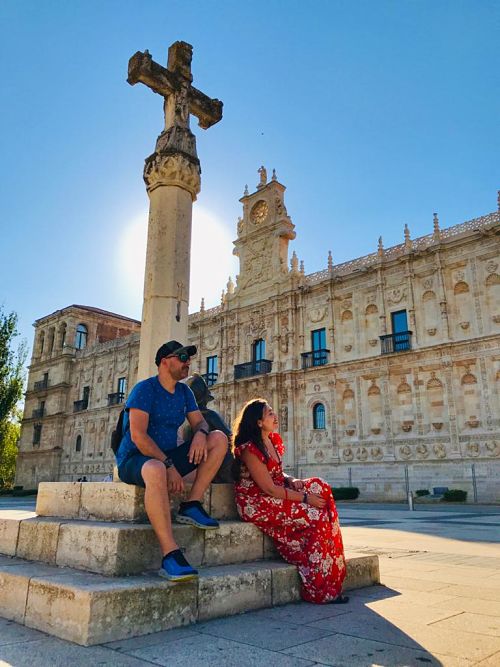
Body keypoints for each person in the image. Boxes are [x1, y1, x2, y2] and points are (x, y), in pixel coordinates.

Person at [115, 340, 227, 582]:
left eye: (188, 358)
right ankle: (170, 554)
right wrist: (169, 466)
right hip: (136, 459)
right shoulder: (145, 390)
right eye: (182, 357)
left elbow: (201, 422)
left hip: (167, 457)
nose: (188, 362)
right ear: (165, 362)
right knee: (155, 468)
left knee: (218, 439)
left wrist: (200, 434)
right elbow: (138, 436)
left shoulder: (185, 392)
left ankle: (191, 504)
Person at [232, 398, 348, 604]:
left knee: (321, 486)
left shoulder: (272, 440)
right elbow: (268, 487)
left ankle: (330, 573)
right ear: (259, 422)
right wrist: (305, 498)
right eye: (269, 413)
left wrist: (291, 480)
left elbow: (276, 474)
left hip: (277, 490)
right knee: (318, 516)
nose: (275, 415)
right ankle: (319, 588)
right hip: (257, 501)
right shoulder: (250, 449)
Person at [183, 373, 234, 483]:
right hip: (211, 467)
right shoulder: (209, 415)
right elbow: (231, 438)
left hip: (189, 465)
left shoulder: (183, 418)